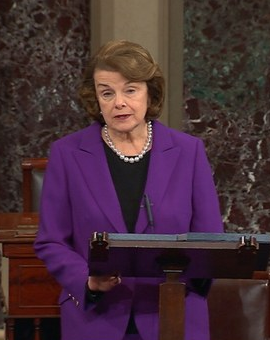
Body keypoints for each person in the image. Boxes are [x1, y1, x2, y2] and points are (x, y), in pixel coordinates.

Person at [33, 40, 224, 340]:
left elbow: (210, 239)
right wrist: (88, 281)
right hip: (97, 319)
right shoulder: (67, 154)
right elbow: (51, 241)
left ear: (150, 92)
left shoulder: (189, 152)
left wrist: (184, 283)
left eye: (130, 90)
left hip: (173, 316)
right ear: (95, 99)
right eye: (107, 93)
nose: (119, 102)